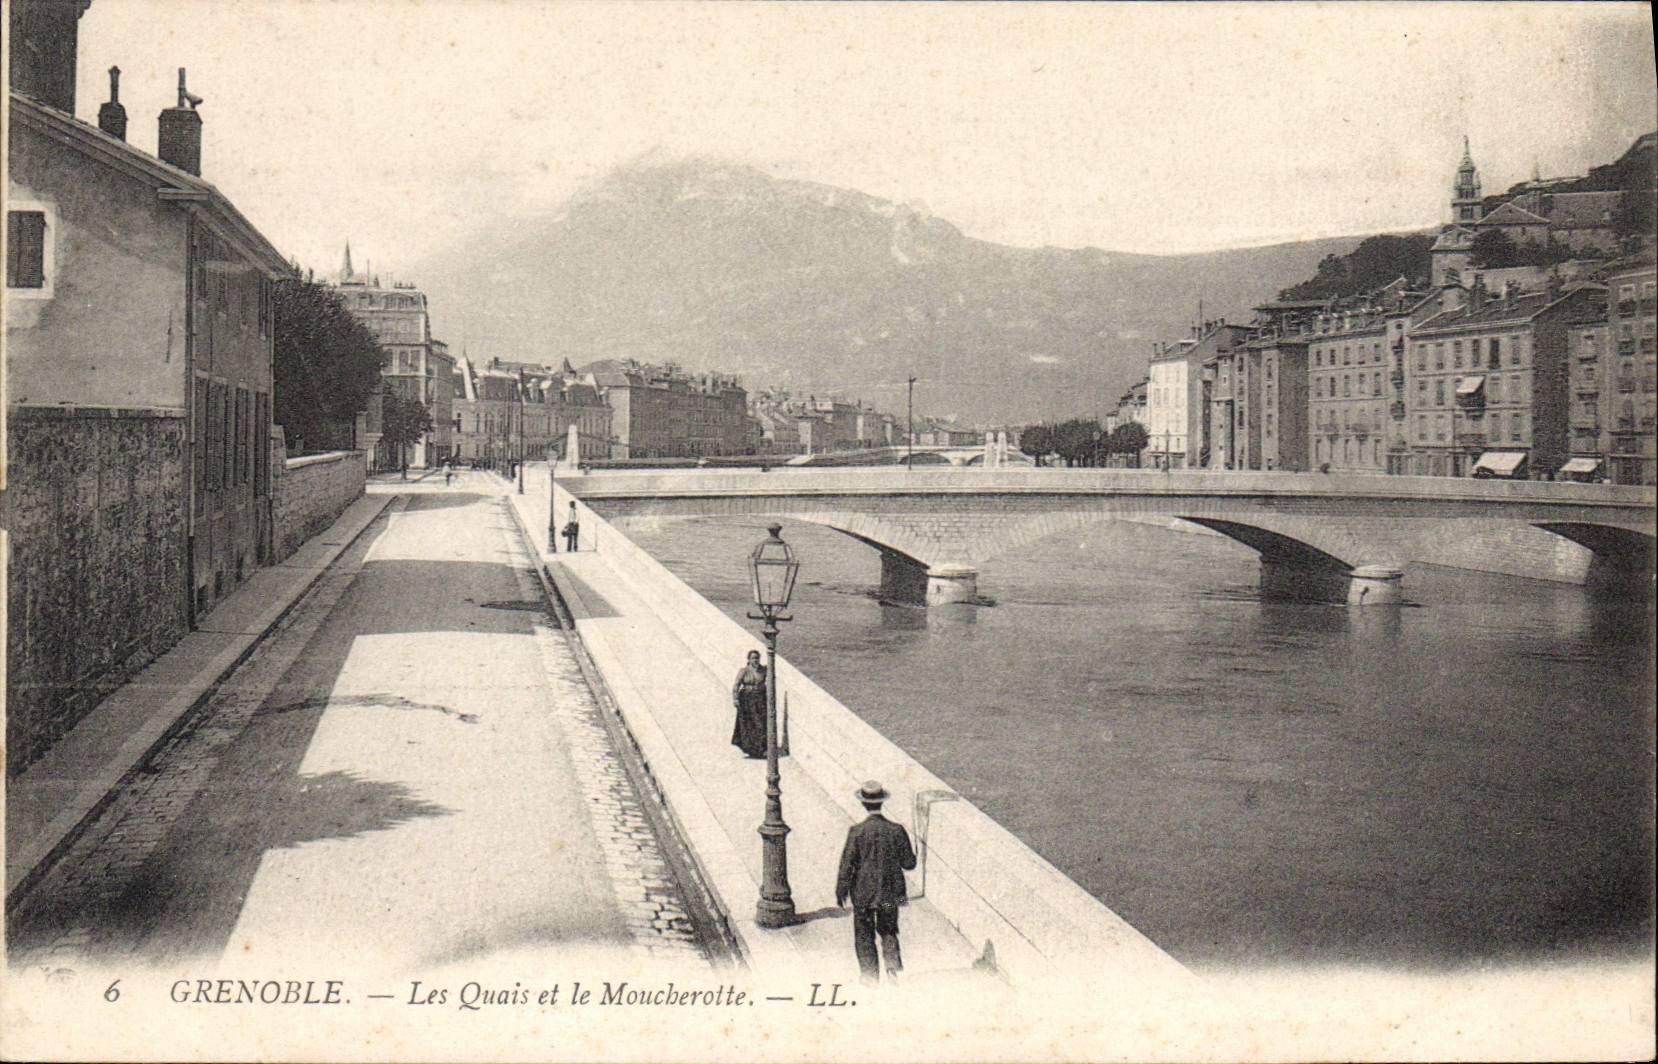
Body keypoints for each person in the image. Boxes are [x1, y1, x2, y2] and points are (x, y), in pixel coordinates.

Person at [835, 780, 917, 985]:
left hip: (863, 894)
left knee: (864, 933)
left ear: (864, 804)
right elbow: (909, 864)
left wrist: (841, 891)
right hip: (890, 894)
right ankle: (892, 969)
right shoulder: (896, 830)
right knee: (889, 929)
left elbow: (847, 865)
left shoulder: (857, 831)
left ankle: (870, 977)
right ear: (882, 802)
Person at [730, 650, 767, 758]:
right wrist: (735, 699)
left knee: (760, 724)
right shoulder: (744, 671)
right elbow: (736, 685)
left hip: (760, 699)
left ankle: (760, 749)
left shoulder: (763, 670)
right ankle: (751, 749)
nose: (755, 660)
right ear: (749, 659)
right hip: (746, 699)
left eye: (757, 658)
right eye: (753, 658)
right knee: (748, 725)